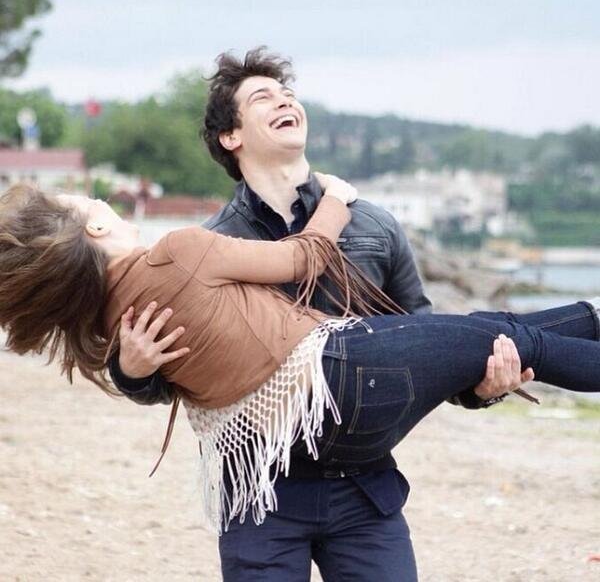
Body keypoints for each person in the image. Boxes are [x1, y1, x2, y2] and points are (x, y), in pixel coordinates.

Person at [1, 181, 600, 582]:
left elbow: (423, 337)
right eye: (95, 202)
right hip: (344, 380)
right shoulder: (182, 249)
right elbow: (307, 257)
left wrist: (127, 371)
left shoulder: (111, 327)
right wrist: (337, 198)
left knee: (496, 332)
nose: (104, 203)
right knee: (512, 337)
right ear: (95, 230)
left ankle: (592, 317)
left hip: (341, 446)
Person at [108, 48, 532, 582]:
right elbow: (174, 377)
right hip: (258, 490)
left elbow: (424, 342)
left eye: (288, 94)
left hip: (365, 486)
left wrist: (481, 390)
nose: (285, 100)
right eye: (263, 97)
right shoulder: (206, 246)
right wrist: (131, 369)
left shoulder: (375, 226)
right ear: (230, 137)